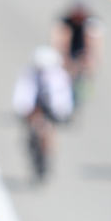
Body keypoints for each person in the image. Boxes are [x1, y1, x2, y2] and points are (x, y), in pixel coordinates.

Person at [11, 47, 74, 181]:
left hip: (52, 108)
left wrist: (61, 113)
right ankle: (31, 143)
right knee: (31, 127)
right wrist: (23, 110)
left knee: (49, 131)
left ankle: (48, 153)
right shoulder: (28, 73)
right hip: (34, 106)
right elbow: (22, 92)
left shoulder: (59, 76)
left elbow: (62, 97)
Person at [53, 1, 102, 98]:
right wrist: (65, 59)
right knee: (62, 65)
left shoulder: (91, 24)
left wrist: (89, 62)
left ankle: (82, 87)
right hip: (69, 46)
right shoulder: (65, 22)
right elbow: (60, 42)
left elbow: (94, 45)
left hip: (82, 47)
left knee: (88, 63)